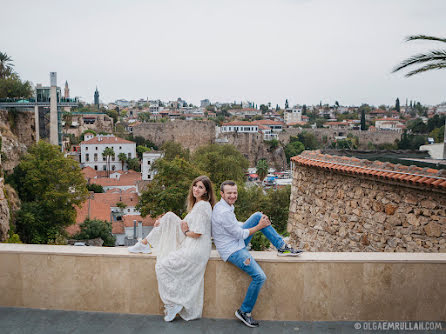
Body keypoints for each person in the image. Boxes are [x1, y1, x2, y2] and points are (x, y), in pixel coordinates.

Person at [211, 180, 303, 328]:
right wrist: (260, 226)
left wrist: (258, 223)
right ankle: (244, 311)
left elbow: (235, 228)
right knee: (260, 277)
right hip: (232, 250)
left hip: (235, 242)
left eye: (235, 192)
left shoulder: (225, 206)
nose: (233, 195)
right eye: (229, 193)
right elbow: (240, 234)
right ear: (222, 193)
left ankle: (281, 247)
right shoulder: (223, 212)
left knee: (257, 216)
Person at [128, 175, 216, 322]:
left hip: (196, 247)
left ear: (206, 191)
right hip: (193, 243)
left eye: (201, 187)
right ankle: (145, 244)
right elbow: (185, 224)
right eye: (195, 185)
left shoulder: (202, 206)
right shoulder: (199, 205)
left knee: (161, 267)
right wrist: (161, 222)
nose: (196, 189)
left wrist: (185, 232)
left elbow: (197, 232)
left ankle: (173, 303)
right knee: (168, 217)